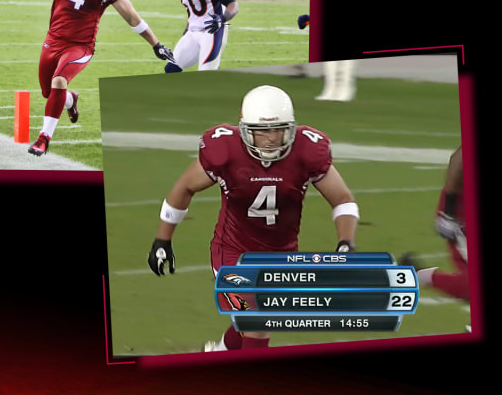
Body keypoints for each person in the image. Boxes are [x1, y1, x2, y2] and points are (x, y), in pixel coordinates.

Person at [147, 85, 359, 351]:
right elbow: (185, 187)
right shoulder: (224, 151)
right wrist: (162, 240)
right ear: (246, 130)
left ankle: (219, 351)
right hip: (232, 253)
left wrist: (345, 243)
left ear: (290, 128)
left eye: (277, 129)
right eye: (262, 131)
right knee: (258, 322)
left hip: (282, 255)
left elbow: (342, 199)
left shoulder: (307, 151)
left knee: (253, 321)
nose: (270, 138)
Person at [27, 0, 173, 156]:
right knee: (49, 93)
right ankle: (70, 101)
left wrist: (156, 44)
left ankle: (43, 139)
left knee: (59, 82)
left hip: (80, 46)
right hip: (53, 40)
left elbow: (132, 18)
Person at [401, 146, 469, 303]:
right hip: (461, 213)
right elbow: (459, 158)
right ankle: (418, 276)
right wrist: (449, 210)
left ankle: (418, 275)